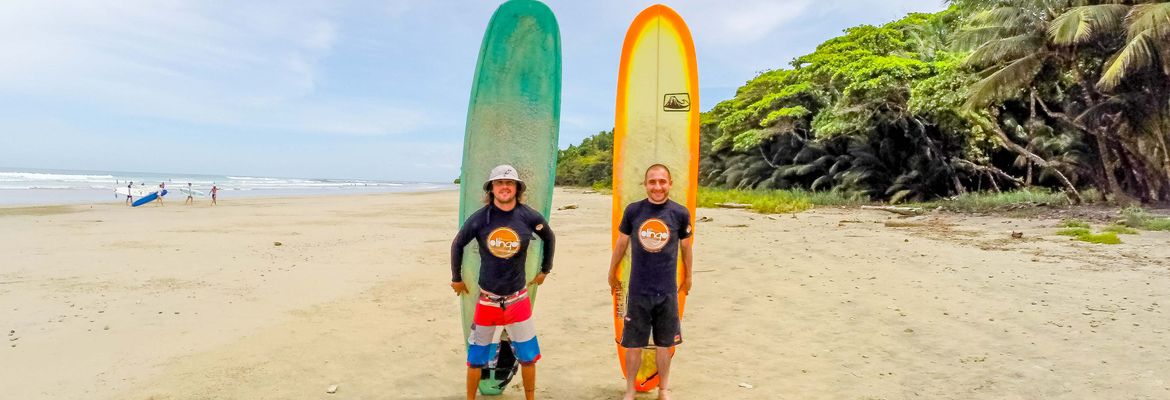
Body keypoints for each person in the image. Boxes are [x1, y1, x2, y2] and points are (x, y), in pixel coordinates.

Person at [450, 164, 555, 400]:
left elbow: (549, 236)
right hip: (487, 301)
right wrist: (456, 278)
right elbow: (458, 244)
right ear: (492, 188)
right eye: (499, 183)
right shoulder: (481, 218)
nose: (504, 187)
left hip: (518, 300)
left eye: (509, 183)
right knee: (476, 359)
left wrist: (545, 270)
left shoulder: (529, 216)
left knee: (528, 357)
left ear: (517, 188)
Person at [608, 163, 694, 400]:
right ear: (645, 184)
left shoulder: (679, 213)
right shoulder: (634, 211)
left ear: (670, 184)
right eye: (652, 182)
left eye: (662, 181)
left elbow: (686, 249)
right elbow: (621, 243)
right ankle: (630, 390)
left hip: (667, 291)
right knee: (634, 344)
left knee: (665, 344)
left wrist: (688, 276)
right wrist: (611, 271)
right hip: (638, 290)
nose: (657, 186)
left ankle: (663, 389)